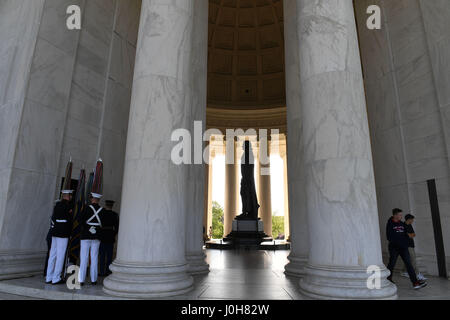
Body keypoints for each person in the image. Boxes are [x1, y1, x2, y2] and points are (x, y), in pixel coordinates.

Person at [386, 208, 426, 289]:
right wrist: (398, 242)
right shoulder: (390, 224)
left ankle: (415, 283)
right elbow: (389, 237)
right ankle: (388, 279)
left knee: (409, 264)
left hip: (403, 248)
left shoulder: (402, 224)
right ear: (395, 215)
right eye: (400, 215)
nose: (401, 216)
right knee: (391, 264)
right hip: (394, 248)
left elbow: (406, 235)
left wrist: (405, 243)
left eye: (401, 215)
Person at [45, 191, 73, 284]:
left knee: (52, 255)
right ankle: (56, 278)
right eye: (70, 195)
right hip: (63, 233)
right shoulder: (68, 206)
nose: (71, 197)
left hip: (55, 232)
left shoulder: (57, 205)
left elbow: (53, 218)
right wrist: (70, 233)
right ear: (68, 196)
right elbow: (69, 221)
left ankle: (49, 277)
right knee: (60, 255)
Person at [78, 192, 103, 285]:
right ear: (99, 200)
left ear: (92, 199)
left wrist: (88, 227)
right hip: (96, 236)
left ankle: (81, 280)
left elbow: (79, 220)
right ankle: (93, 280)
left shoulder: (86, 208)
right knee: (94, 258)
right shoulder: (102, 210)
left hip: (85, 235)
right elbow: (103, 224)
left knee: (84, 258)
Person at [401, 214, 427, 281]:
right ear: (408, 219)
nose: (412, 221)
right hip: (407, 245)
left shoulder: (409, 225)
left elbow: (413, 234)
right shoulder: (403, 226)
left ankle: (404, 271)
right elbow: (408, 235)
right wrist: (409, 235)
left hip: (411, 245)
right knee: (413, 259)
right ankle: (417, 274)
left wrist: (410, 235)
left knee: (408, 259)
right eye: (412, 219)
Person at [99, 200, 119, 277]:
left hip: (103, 236)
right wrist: (113, 234)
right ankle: (108, 271)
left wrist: (100, 234)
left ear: (106, 205)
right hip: (110, 237)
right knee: (109, 256)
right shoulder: (115, 215)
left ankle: (101, 271)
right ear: (112, 206)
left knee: (102, 256)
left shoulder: (101, 214)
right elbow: (116, 228)